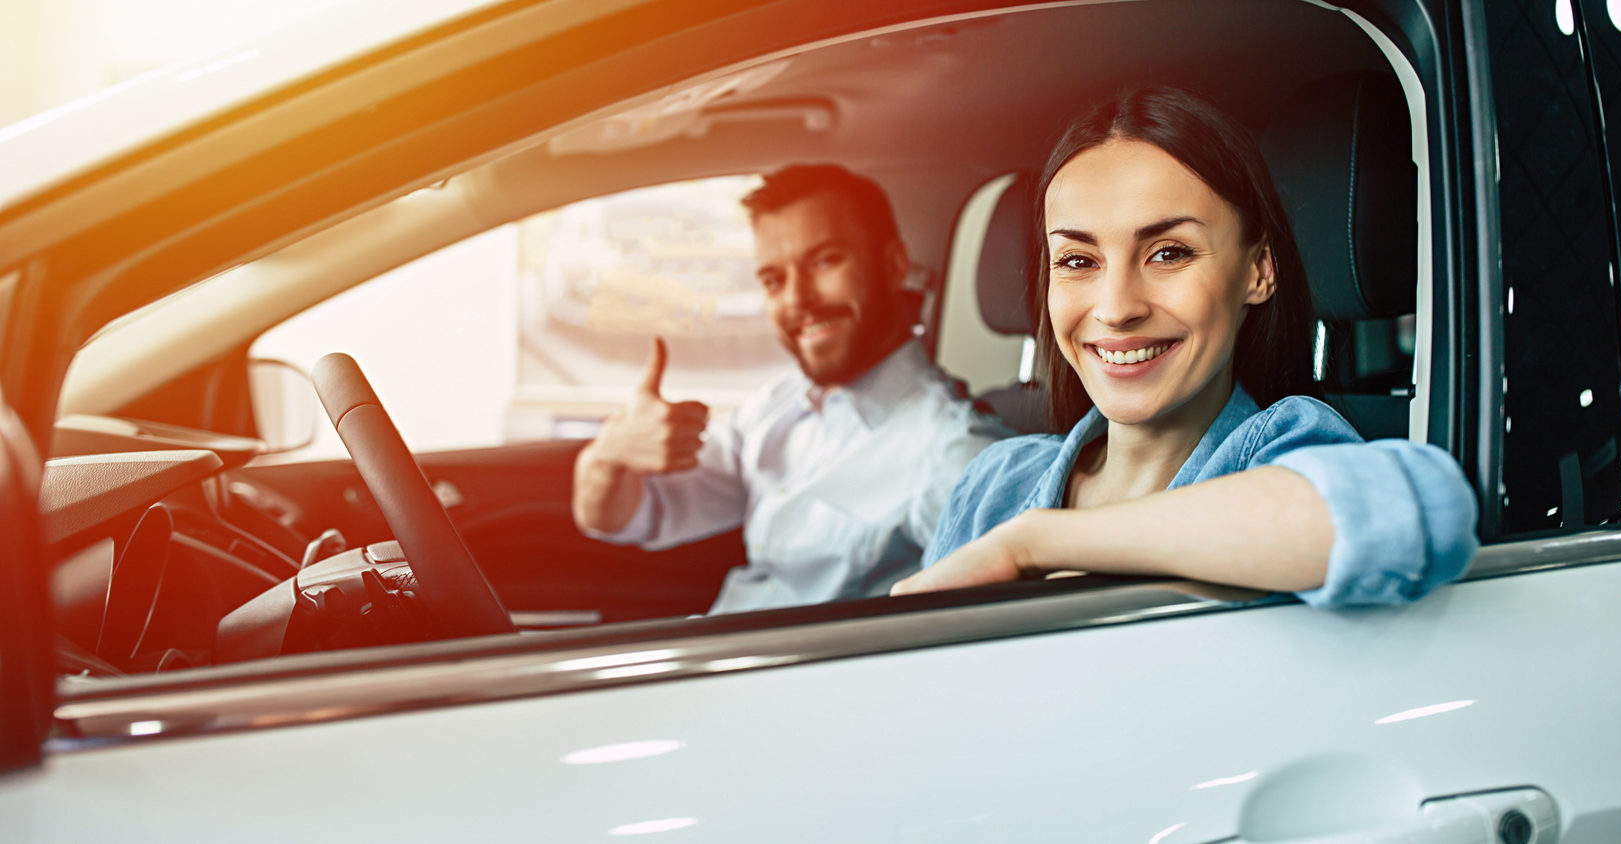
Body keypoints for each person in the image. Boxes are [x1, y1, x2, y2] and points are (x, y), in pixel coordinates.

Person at [891, 86, 1476, 605]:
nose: (1117, 307)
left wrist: (1035, 544)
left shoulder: (1281, 447)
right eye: (1077, 261)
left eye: (1168, 253)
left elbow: (1400, 512)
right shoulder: (996, 482)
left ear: (1258, 270)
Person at [573, 164, 1012, 614]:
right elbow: (620, 518)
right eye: (774, 280)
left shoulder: (953, 450)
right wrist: (608, 458)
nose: (798, 299)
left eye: (825, 261)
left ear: (894, 266)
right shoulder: (772, 410)